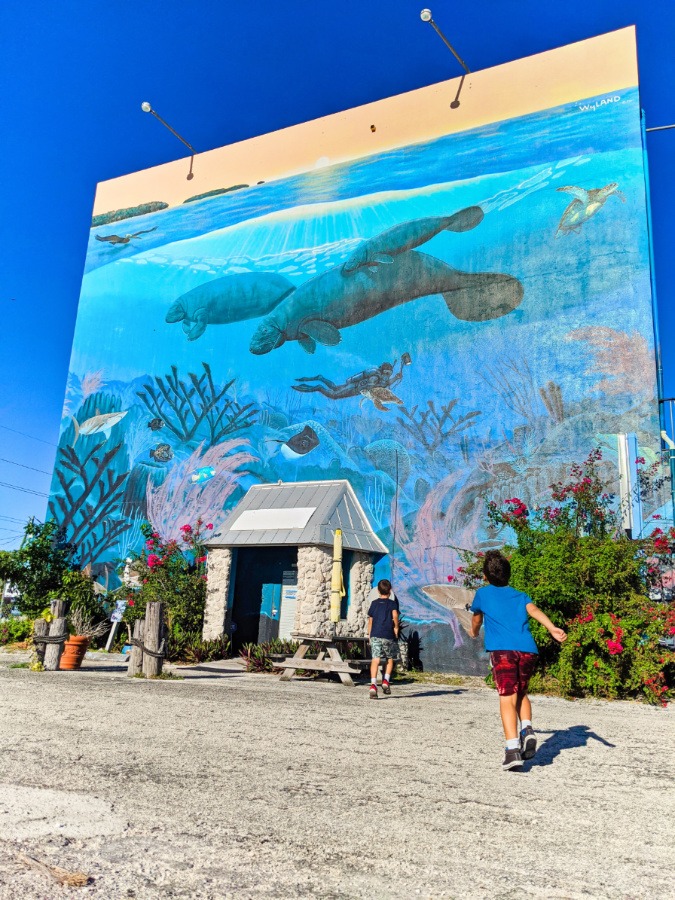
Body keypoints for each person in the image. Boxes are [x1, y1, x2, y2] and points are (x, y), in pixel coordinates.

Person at [469, 550, 567, 770]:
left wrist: (473, 632)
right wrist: (552, 628)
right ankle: (527, 729)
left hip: (503, 651)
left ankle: (513, 750)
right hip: (527, 651)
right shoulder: (520, 595)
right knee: (520, 692)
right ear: (509, 574)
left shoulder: (483, 594)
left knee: (506, 696)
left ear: (485, 576)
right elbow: (534, 610)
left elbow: (476, 620)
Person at [367, 579, 400, 699]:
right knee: (389, 659)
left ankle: (373, 685)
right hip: (388, 635)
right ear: (390, 591)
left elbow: (370, 621)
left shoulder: (374, 603)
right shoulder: (392, 604)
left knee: (375, 660)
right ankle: (386, 681)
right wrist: (396, 627)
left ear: (378, 591)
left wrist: (369, 635)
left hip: (375, 634)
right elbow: (395, 616)